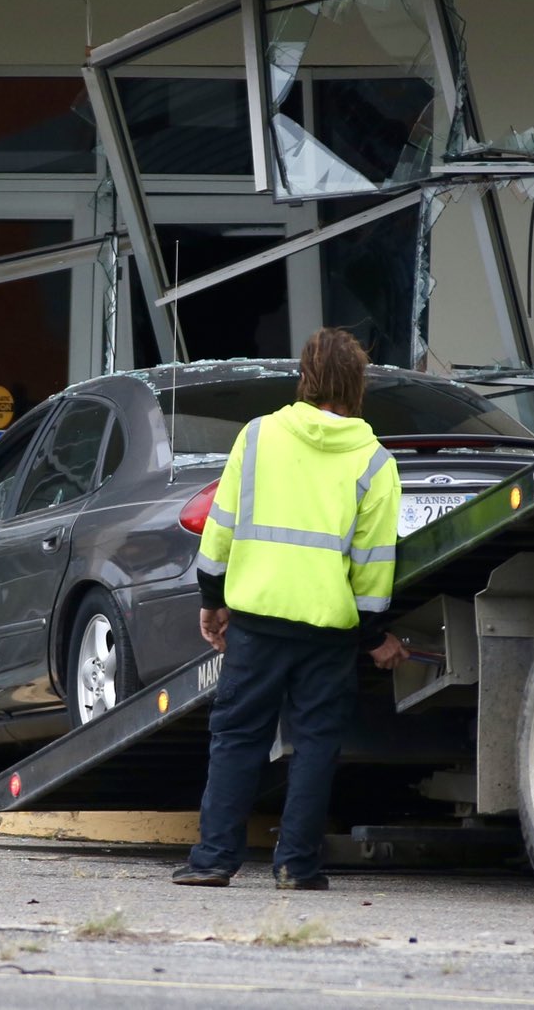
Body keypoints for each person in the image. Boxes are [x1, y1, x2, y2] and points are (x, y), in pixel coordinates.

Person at [171, 327, 409, 891]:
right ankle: (297, 867)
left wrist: (212, 600)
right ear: (357, 386)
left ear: (304, 377)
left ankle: (213, 861)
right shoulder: (376, 463)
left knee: (237, 736)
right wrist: (375, 636)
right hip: (328, 632)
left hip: (255, 621)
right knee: (316, 743)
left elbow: (221, 527)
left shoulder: (256, 438)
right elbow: (374, 566)